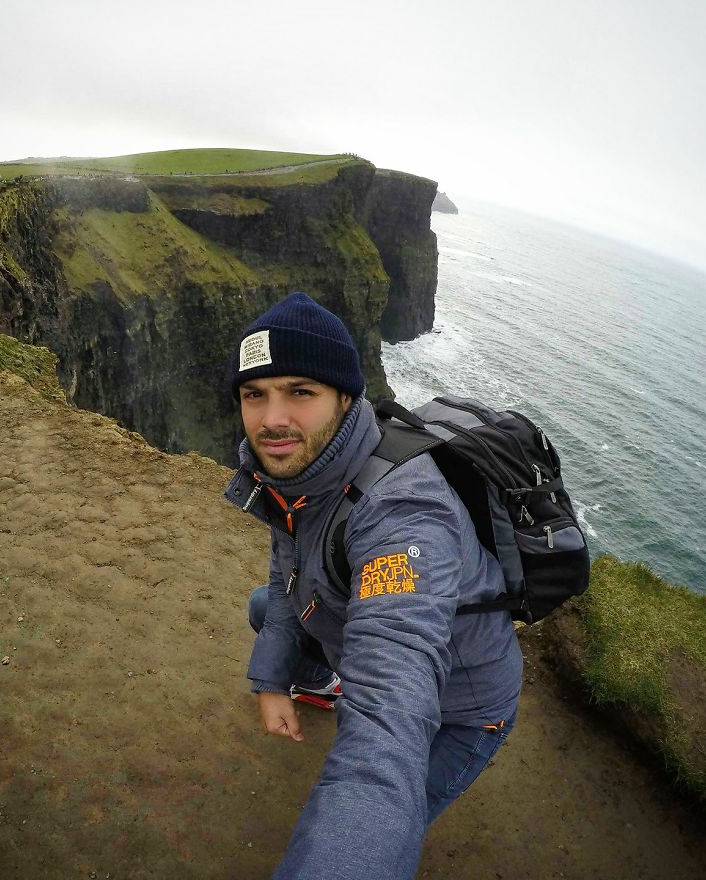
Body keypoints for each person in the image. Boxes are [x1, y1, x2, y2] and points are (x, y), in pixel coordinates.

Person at [223, 292, 523, 879]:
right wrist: (271, 679)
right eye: (254, 394)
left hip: (459, 709)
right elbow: (286, 577)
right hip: (344, 627)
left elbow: (391, 711)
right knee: (266, 605)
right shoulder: (301, 475)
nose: (272, 419)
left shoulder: (405, 515)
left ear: (346, 396)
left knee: (393, 800)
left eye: (300, 392)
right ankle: (324, 683)